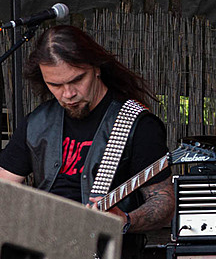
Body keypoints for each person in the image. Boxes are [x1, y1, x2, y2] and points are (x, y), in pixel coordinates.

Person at [0, 25, 174, 258]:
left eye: (77, 80)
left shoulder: (135, 124)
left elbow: (163, 202)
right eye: (55, 85)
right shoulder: (38, 122)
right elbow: (4, 189)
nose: (68, 94)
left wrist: (125, 220)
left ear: (96, 68)